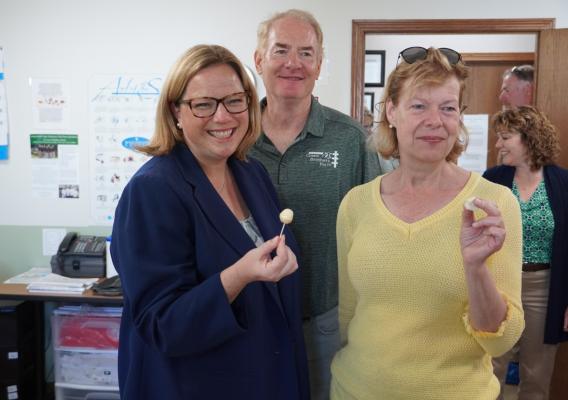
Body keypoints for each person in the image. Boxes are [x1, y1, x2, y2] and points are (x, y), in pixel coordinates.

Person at [110, 44, 309, 400]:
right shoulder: (153, 190)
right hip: (196, 385)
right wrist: (240, 274)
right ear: (176, 113)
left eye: (235, 100)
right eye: (204, 104)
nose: (223, 117)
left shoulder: (250, 173)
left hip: (262, 374)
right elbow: (161, 323)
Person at [330, 46, 524, 400]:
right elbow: (349, 315)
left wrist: (476, 267)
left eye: (448, 107)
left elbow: (502, 343)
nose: (435, 120)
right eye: (419, 106)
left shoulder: (493, 204)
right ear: (391, 111)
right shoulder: (355, 204)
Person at [249, 9, 386, 399]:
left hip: (325, 320)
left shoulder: (350, 139)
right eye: (281, 50)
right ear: (259, 60)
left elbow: (375, 230)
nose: (294, 63)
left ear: (320, 64)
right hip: (247, 315)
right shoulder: (233, 135)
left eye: (307, 53)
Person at [483, 105, 568, 400]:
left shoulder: (563, 183)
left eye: (505, 137)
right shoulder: (492, 179)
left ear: (529, 138)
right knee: (490, 369)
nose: (498, 145)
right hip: (499, 284)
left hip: (544, 288)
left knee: (536, 375)